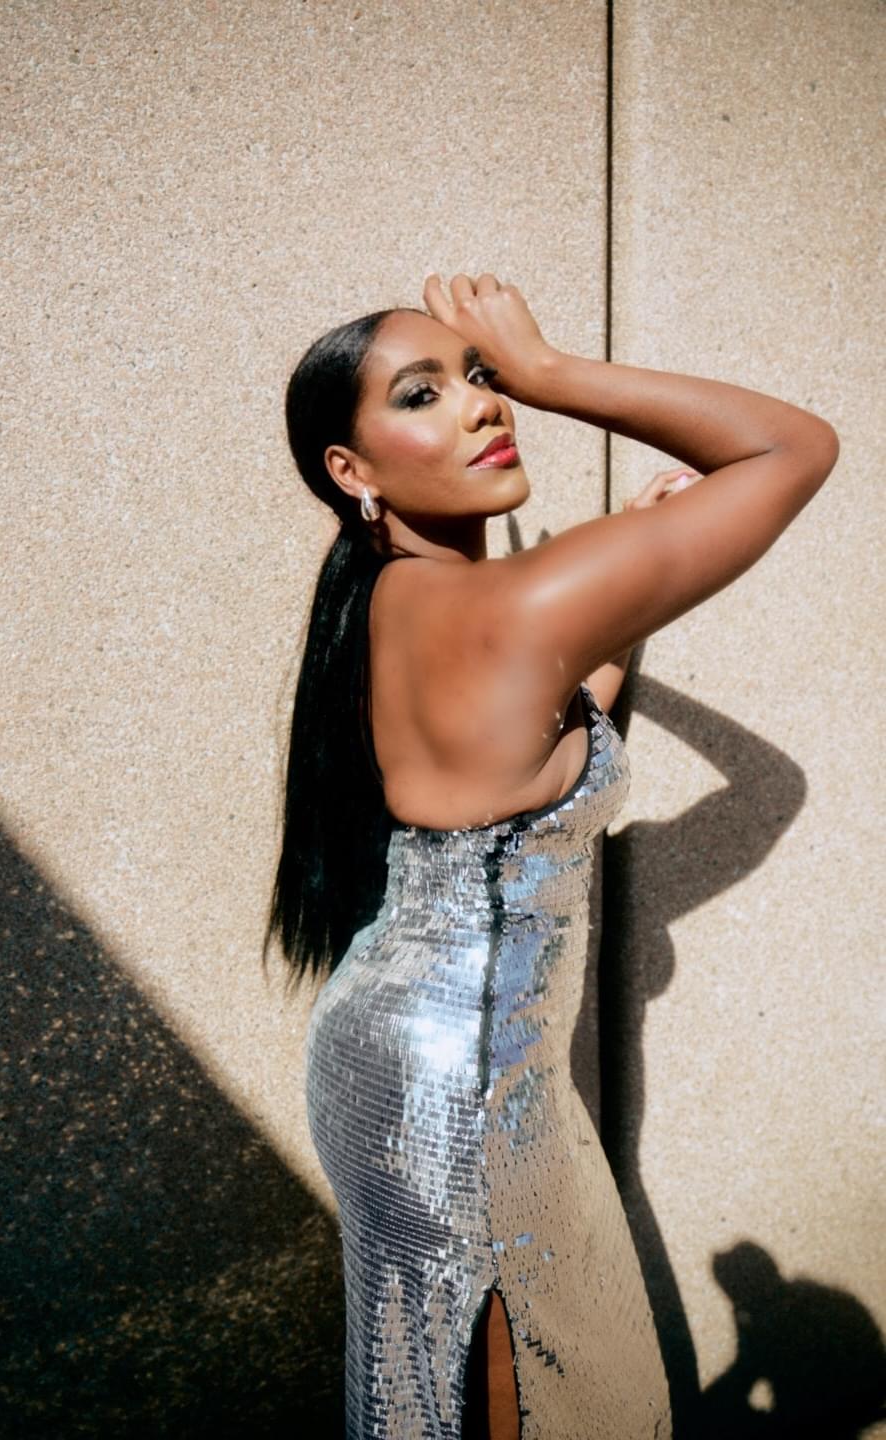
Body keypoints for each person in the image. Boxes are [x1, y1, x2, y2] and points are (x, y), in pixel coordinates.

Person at [263, 272, 839, 1440]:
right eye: (425, 393)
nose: (485, 404)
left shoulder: (401, 601)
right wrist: (549, 369)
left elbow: (547, 732)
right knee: (504, 1398)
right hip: (461, 1087)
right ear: (351, 470)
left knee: (478, 1388)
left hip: (431, 1057)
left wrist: (612, 587)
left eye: (482, 376)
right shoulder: (503, 608)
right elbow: (792, 448)